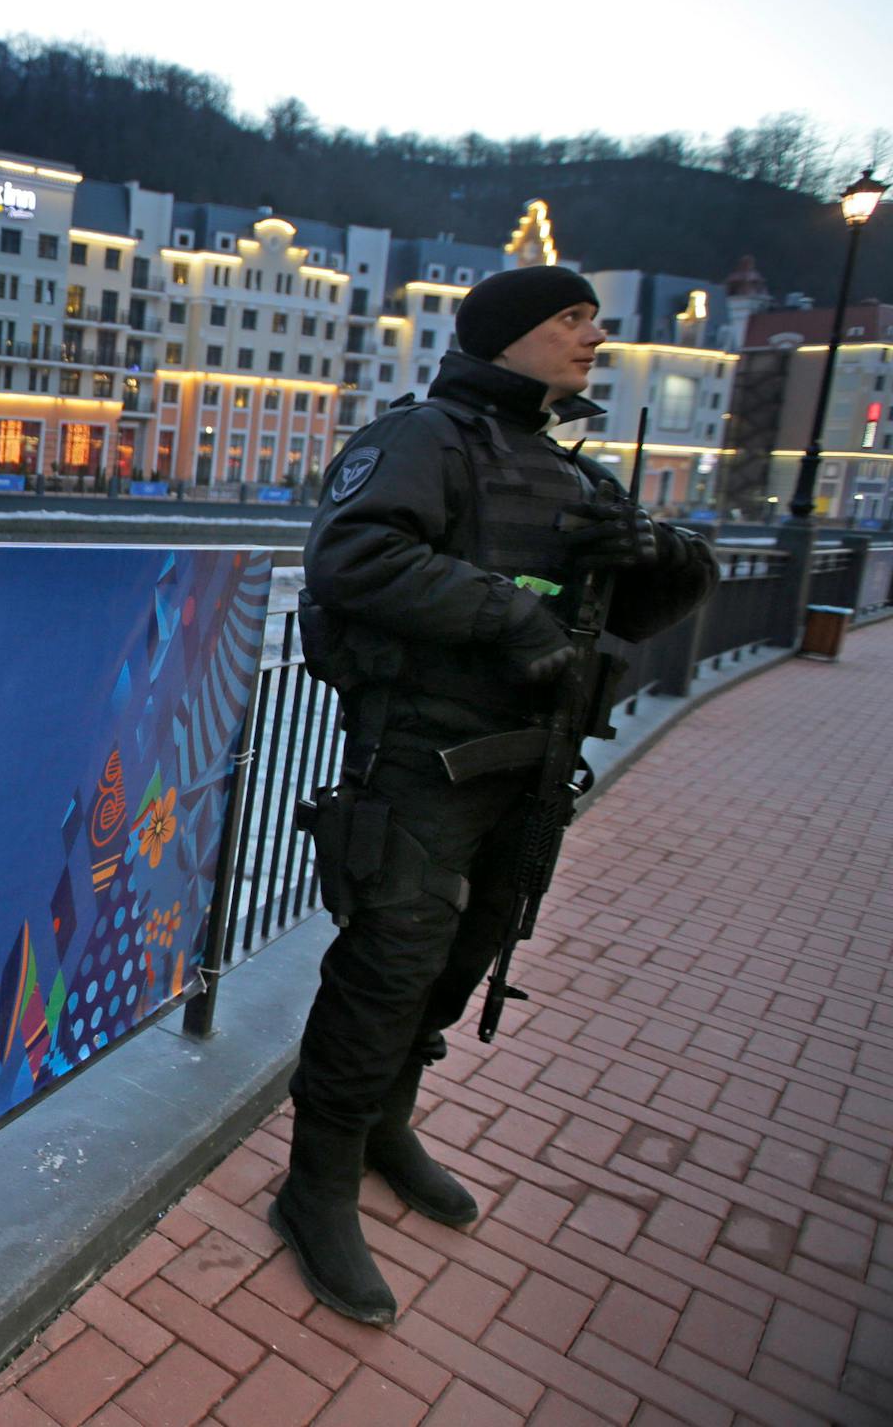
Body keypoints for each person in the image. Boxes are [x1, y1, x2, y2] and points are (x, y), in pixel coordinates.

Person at [274, 266, 716, 1325]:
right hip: (424, 764)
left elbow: (643, 605)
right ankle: (318, 1180)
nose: (594, 336)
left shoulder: (567, 469)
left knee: (464, 963)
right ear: (511, 334)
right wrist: (511, 619)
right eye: (572, 318)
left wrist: (663, 556)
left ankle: (388, 1125)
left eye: (591, 318)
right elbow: (353, 555)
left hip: (530, 768)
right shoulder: (423, 439)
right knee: (389, 966)